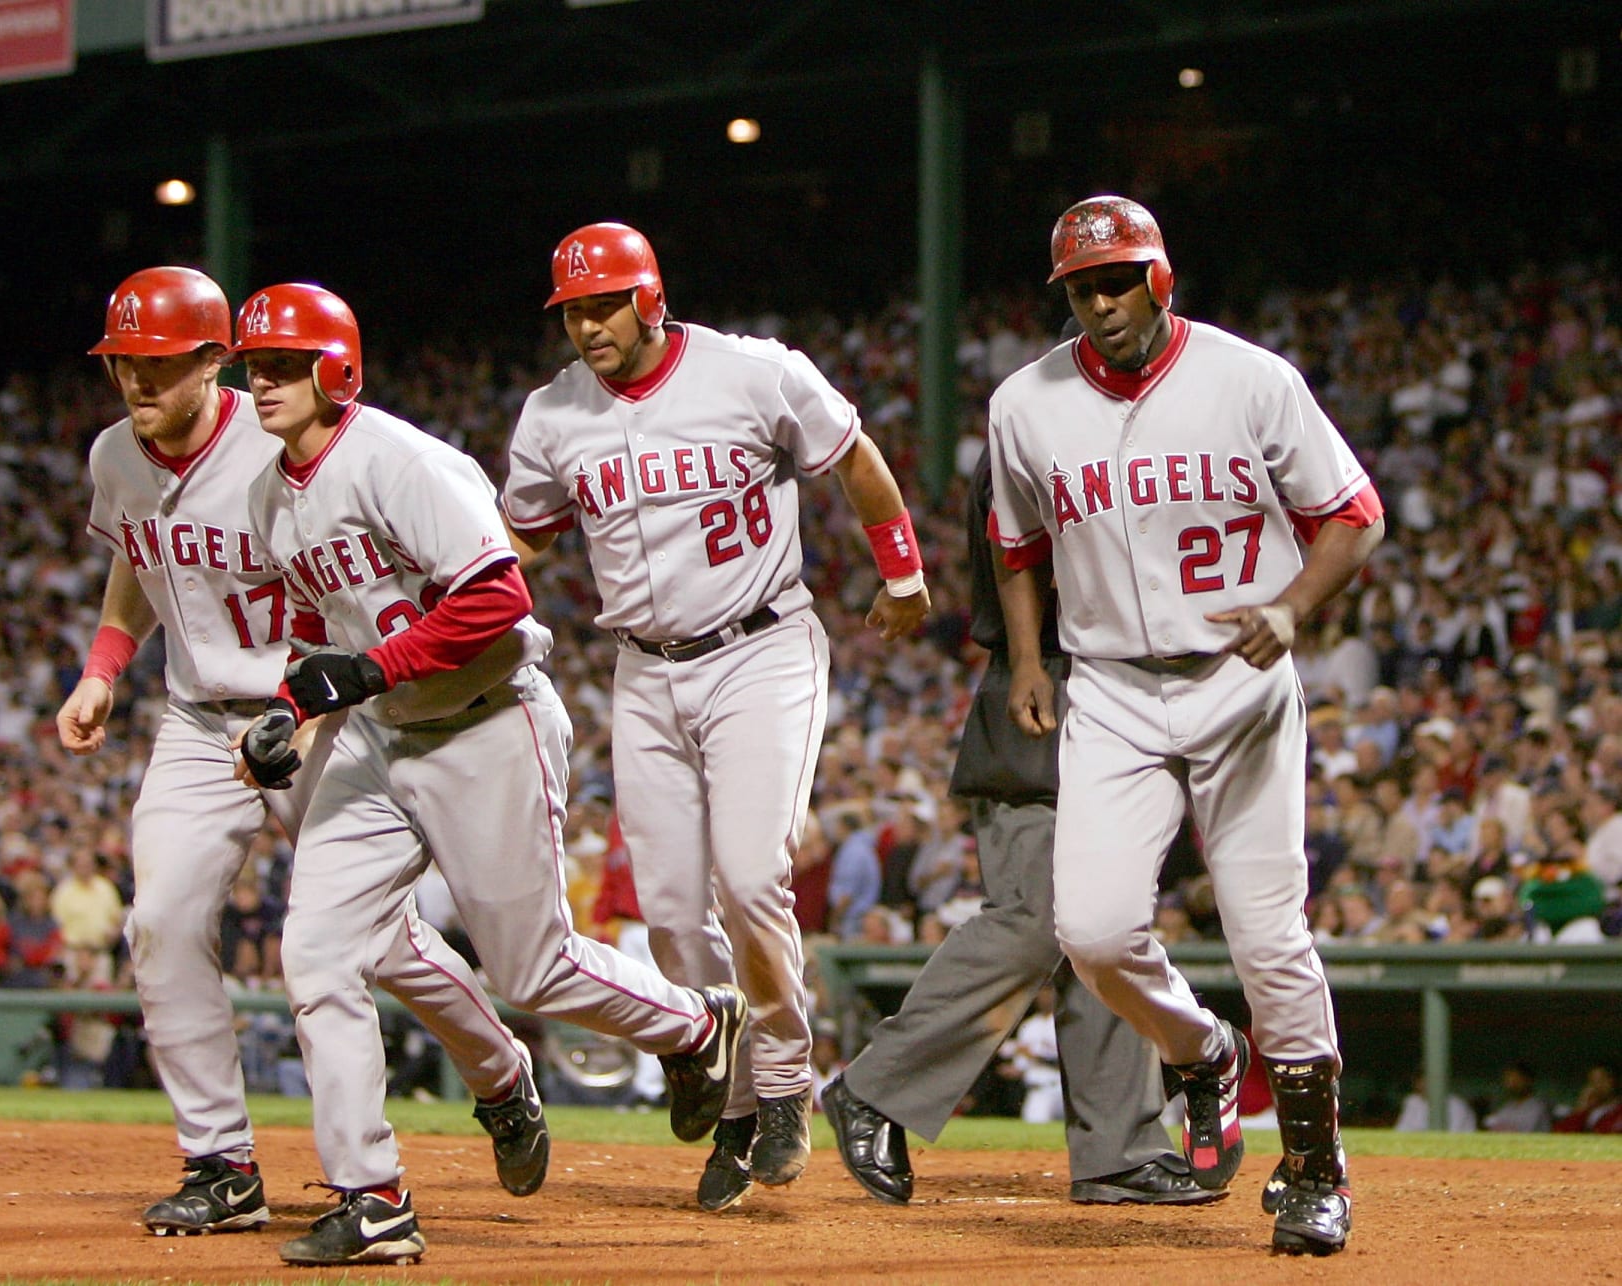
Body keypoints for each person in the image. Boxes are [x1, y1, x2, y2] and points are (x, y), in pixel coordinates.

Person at [229, 281, 746, 1266]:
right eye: (254, 366)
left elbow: (498, 597)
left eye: (286, 364)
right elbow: (313, 625)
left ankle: (692, 1024)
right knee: (320, 951)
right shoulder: (269, 492)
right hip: (380, 736)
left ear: (336, 368)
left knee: (531, 965)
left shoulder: (402, 461)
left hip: (485, 722)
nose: (264, 382)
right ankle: (373, 1193)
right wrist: (291, 715)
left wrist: (368, 668)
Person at [57, 268, 549, 1239]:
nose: (136, 383)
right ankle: (221, 1161)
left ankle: (499, 1069)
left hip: (308, 703)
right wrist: (106, 664)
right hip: (199, 717)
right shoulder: (116, 451)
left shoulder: (279, 444)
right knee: (158, 919)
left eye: (157, 363)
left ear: (213, 360)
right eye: (123, 364)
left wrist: (314, 710)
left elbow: (357, 590)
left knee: (374, 939)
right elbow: (137, 551)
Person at [502, 222, 930, 1212]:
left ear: (650, 299)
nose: (587, 324)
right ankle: (729, 1083)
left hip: (761, 649)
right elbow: (520, 536)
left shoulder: (751, 373)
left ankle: (782, 1081)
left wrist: (902, 569)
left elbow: (854, 456)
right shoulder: (553, 414)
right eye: (572, 309)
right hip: (642, 670)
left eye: (603, 303)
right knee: (669, 911)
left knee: (751, 875)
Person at [987, 196, 1385, 1256]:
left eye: (1119, 280)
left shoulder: (1251, 379)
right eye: (1083, 287)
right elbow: (1014, 543)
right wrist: (1028, 658)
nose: (1102, 302)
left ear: (1162, 278)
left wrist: (1292, 607)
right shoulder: (1024, 402)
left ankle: (1312, 1165)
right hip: (1110, 688)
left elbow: (1354, 514)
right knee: (1095, 933)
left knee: (1266, 930)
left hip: (1236, 679)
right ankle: (1204, 1051)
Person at [824, 441, 1212, 1209]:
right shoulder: (1036, 435)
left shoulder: (1118, 436)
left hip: (1123, 701)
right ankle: (876, 1088)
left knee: (1106, 931)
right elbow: (1027, 576)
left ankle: (1120, 1150)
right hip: (1047, 692)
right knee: (1037, 918)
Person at [1483, 1060, 1554, 1133]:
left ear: (1528, 1080)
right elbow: (1493, 1129)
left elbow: (1522, 1133)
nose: (1511, 1084)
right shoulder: (1508, 1107)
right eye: (1508, 1080)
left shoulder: (1538, 1106)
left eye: (1516, 1079)